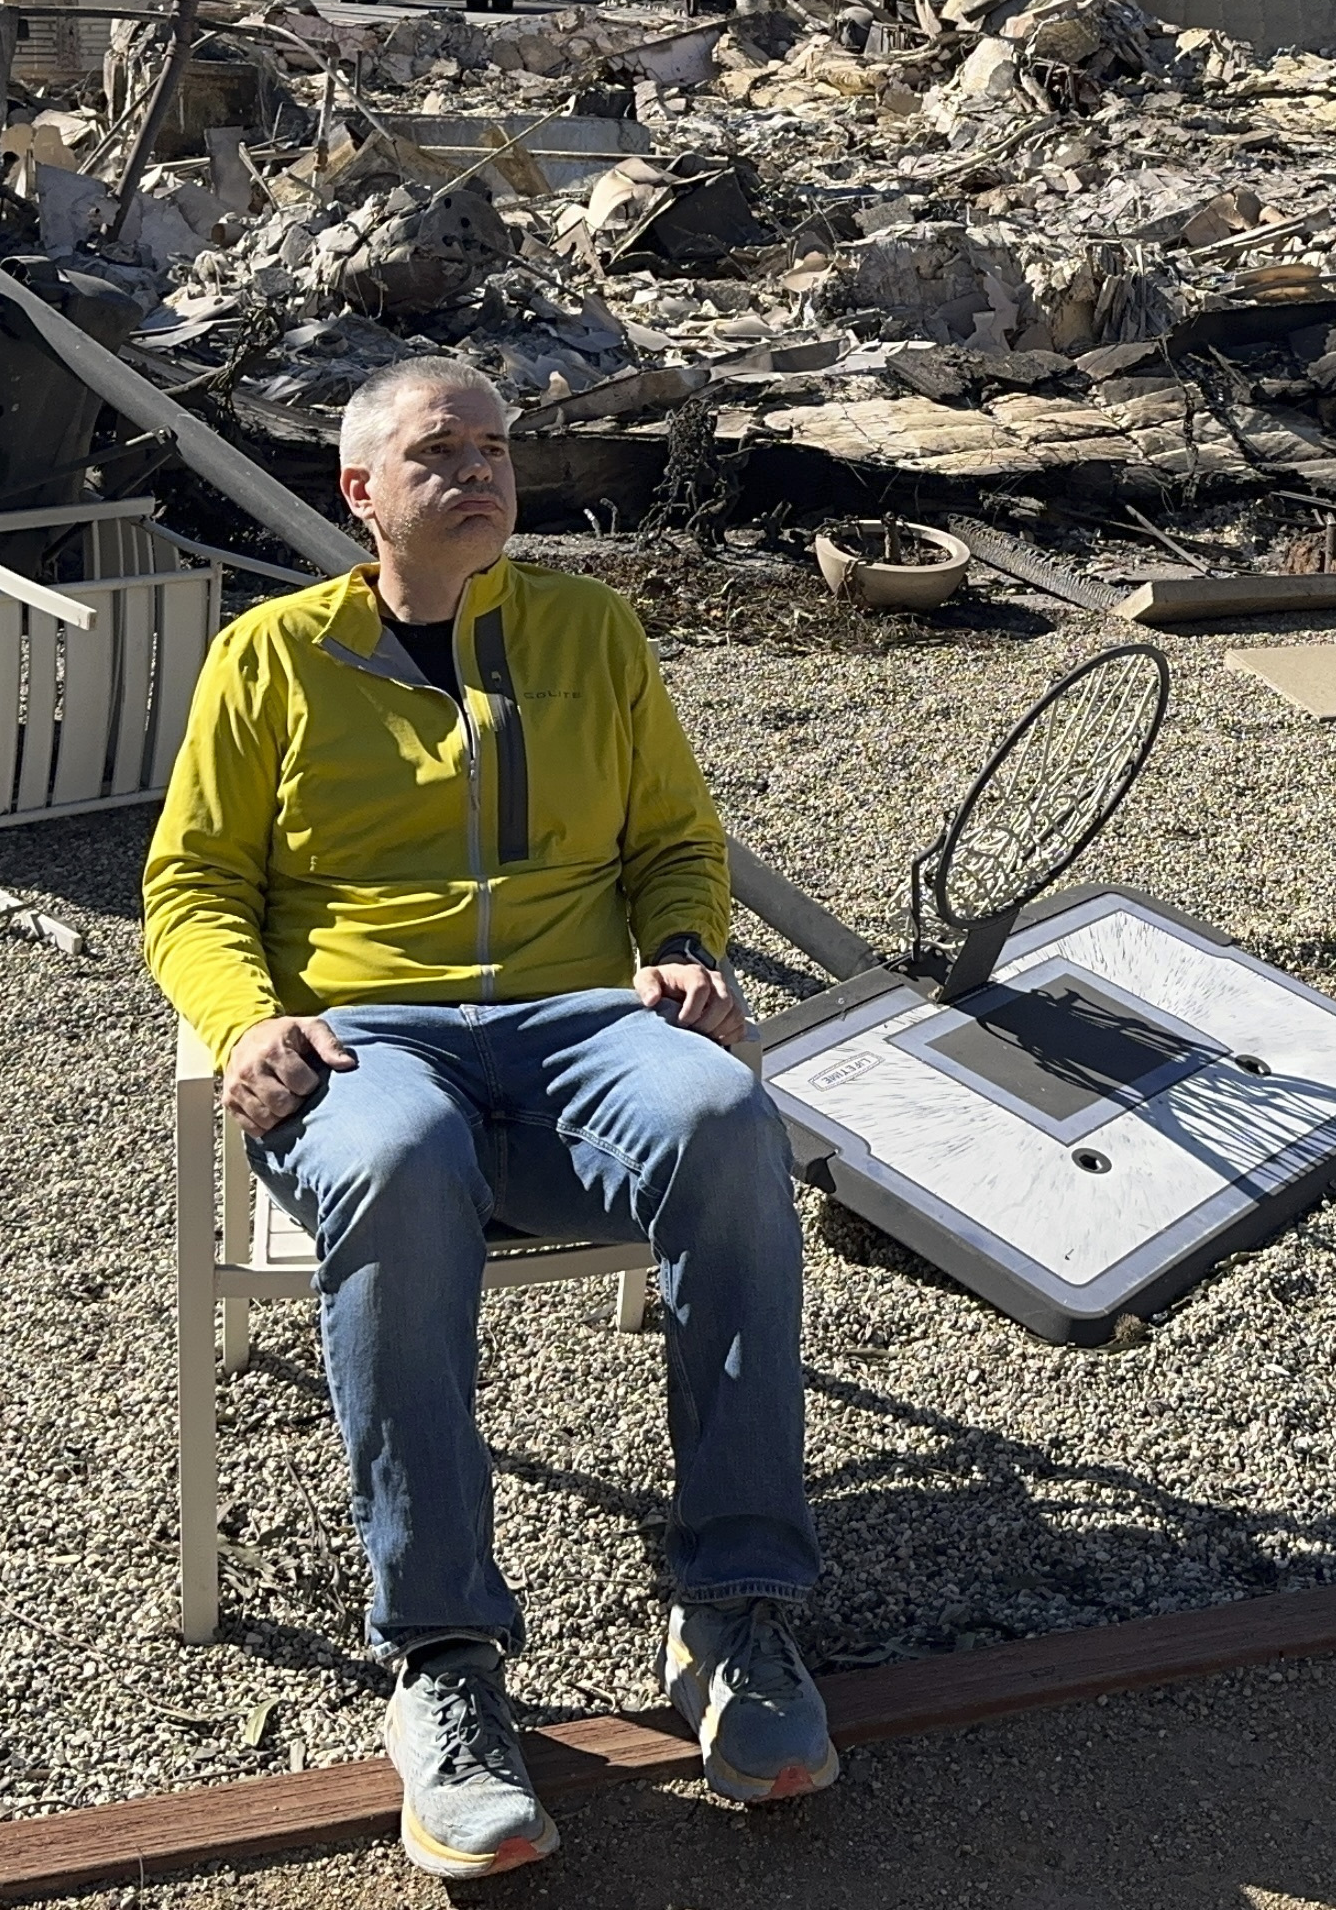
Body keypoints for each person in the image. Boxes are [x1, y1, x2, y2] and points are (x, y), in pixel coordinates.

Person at [144, 356, 830, 1880]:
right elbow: (191, 888)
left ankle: (738, 1615)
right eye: (439, 450)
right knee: (395, 1155)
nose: (481, 471)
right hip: (369, 1040)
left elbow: (674, 841)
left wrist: (691, 953)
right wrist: (246, 1021)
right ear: (360, 492)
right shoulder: (271, 658)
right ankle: (444, 1661)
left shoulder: (590, 631)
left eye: (499, 448)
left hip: (579, 1026)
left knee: (726, 1113)